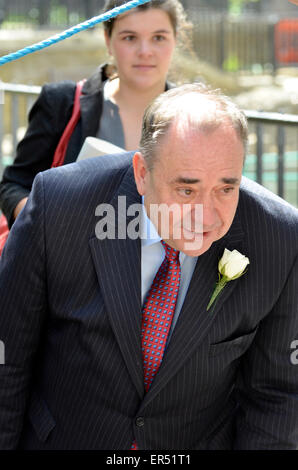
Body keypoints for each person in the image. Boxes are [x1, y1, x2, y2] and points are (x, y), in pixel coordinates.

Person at [0, 83, 298, 450]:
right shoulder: (60, 208)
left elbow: (278, 395)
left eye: (226, 189)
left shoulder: (279, 237)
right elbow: (7, 358)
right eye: (186, 190)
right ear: (142, 172)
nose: (205, 216)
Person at [0, 0, 191, 228]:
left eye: (158, 38)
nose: (145, 51)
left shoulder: (196, 117)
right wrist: (41, 221)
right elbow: (13, 185)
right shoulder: (62, 103)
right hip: (68, 258)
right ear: (108, 41)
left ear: (175, 39)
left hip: (165, 262)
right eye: (129, 37)